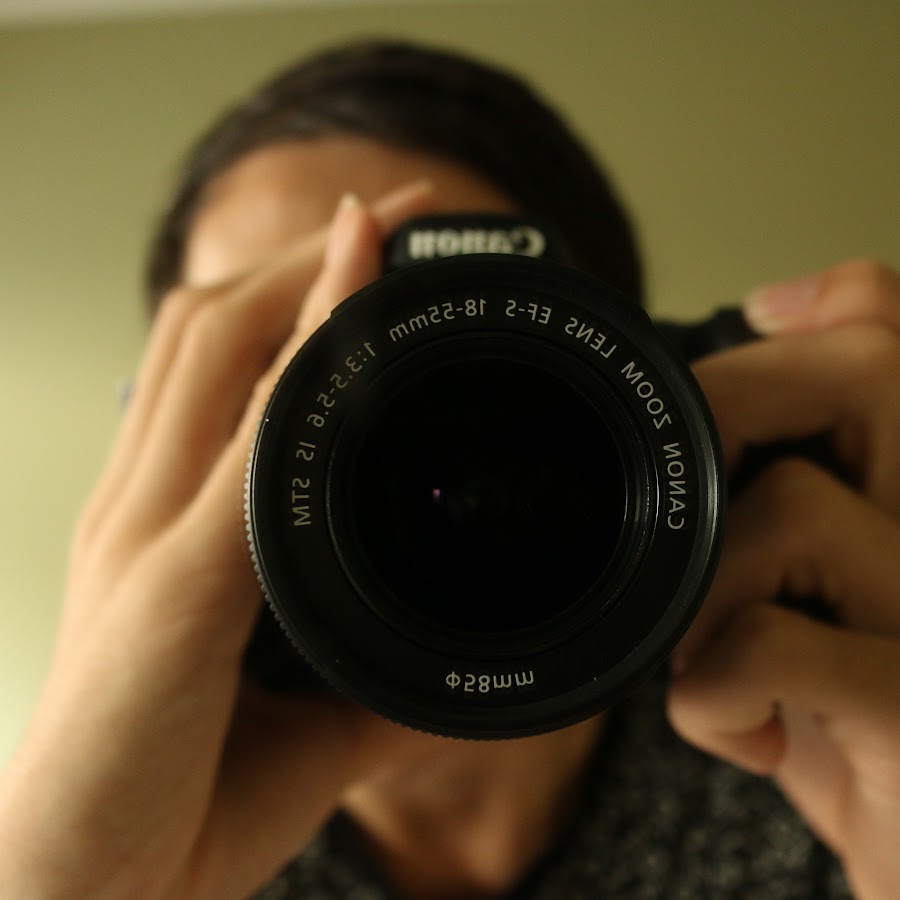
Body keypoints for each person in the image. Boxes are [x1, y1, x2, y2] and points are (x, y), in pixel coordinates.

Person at [0, 39, 897, 900]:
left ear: (642, 390)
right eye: (275, 376)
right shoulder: (151, 823)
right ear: (160, 446)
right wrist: (81, 888)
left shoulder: (811, 749)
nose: (367, 444)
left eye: (471, 371)